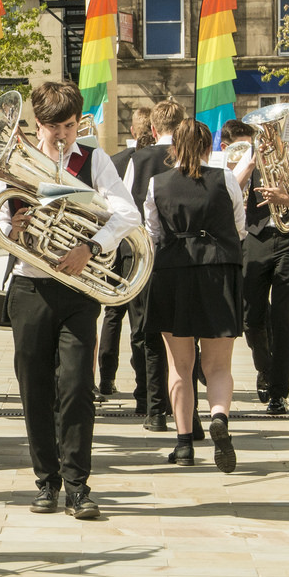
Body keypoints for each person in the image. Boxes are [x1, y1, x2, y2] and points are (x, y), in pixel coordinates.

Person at [5, 81, 139, 518]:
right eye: (52, 127)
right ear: (36, 124)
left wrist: (93, 247)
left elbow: (128, 213)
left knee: (78, 387)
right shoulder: (13, 160)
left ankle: (78, 485)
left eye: (68, 126)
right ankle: (46, 482)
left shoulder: (92, 158)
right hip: (30, 285)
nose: (61, 135)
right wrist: (15, 229)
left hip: (78, 289)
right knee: (34, 388)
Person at [142, 120, 248, 469]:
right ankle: (219, 416)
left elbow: (153, 233)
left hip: (173, 274)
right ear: (207, 148)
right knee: (218, 365)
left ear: (173, 148)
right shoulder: (226, 178)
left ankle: (184, 443)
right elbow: (239, 228)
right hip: (218, 273)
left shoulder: (158, 183)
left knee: (180, 365)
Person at [235, 115, 289, 416]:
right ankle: (265, 369)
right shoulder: (253, 158)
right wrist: (251, 161)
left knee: (281, 318)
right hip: (255, 239)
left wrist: (286, 199)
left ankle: (279, 391)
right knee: (251, 318)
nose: (274, 135)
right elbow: (229, 187)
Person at [121, 97, 183, 433]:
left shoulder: (140, 158)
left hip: (143, 253)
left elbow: (129, 204)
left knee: (146, 332)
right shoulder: (189, 155)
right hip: (181, 254)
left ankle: (152, 405)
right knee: (183, 333)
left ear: (154, 129)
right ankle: (185, 409)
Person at [97, 106, 153, 406]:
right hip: (139, 247)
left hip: (114, 244)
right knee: (140, 319)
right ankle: (143, 385)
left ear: (133, 130)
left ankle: (106, 377)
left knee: (112, 312)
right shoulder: (161, 159)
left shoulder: (114, 161)